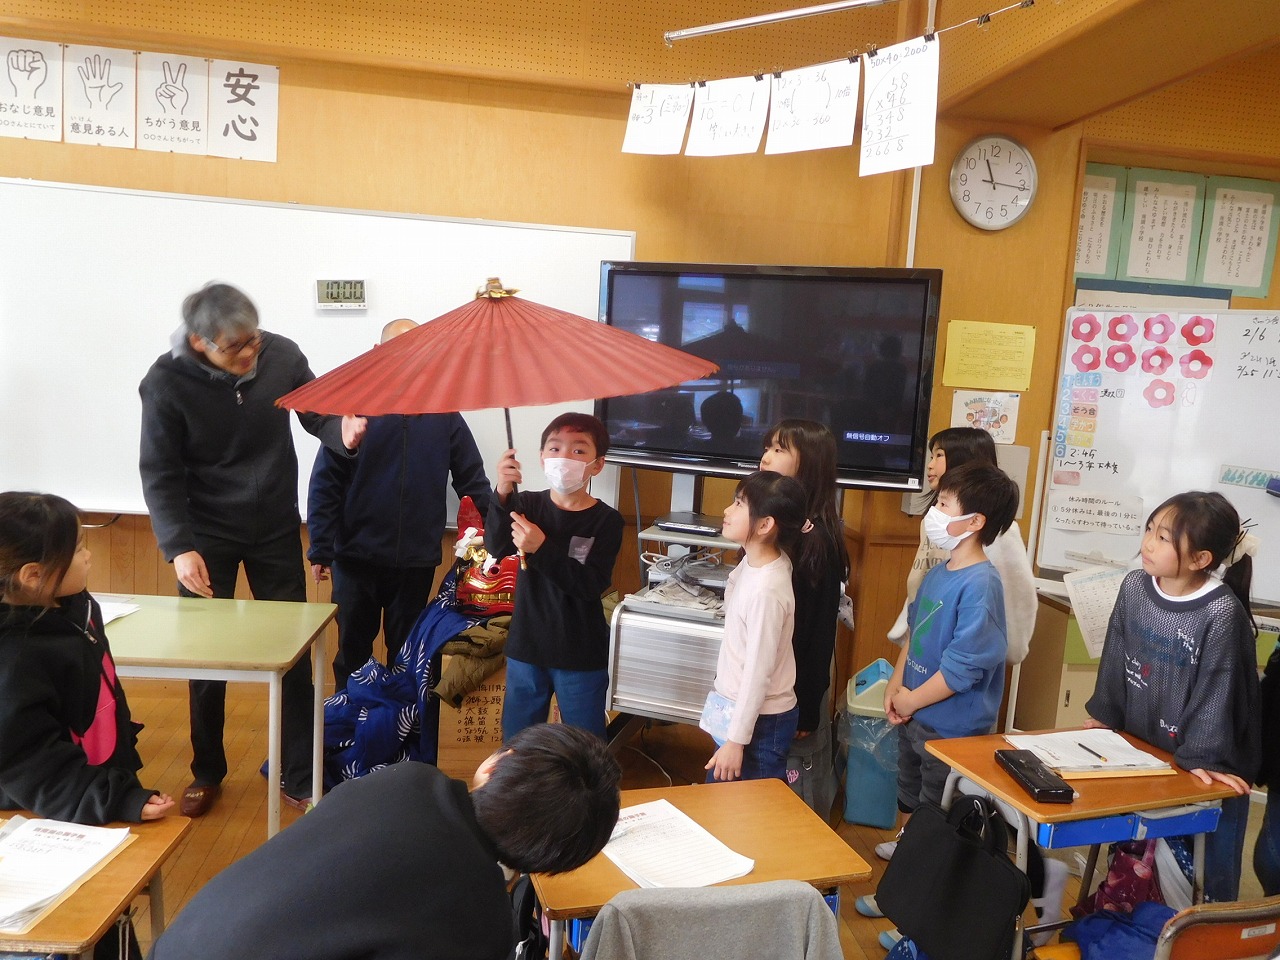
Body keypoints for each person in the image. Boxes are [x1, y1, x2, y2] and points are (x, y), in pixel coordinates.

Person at [139, 281, 366, 818]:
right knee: (206, 655)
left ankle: (299, 772)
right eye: (234, 347)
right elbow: (160, 471)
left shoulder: (281, 354)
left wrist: (343, 431)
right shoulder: (165, 382)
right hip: (205, 535)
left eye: (253, 340)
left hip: (274, 527)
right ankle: (207, 771)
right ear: (200, 342)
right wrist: (179, 547)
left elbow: (317, 412)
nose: (249, 354)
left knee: (292, 650)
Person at [147, 723, 622, 960]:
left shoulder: (406, 780)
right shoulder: (485, 926)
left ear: (494, 766)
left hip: (179, 944)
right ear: (549, 862)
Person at [0, 492, 173, 960]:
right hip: (43, 813)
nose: (89, 555)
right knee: (79, 922)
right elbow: (33, 763)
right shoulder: (14, 660)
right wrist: (116, 798)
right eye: (77, 549)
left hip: (93, 779)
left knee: (113, 918)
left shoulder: (73, 602)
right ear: (33, 576)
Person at [858, 462, 1019, 949]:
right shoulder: (937, 573)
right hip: (915, 716)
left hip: (951, 729)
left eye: (945, 504)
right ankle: (901, 891)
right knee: (913, 806)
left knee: (939, 821)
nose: (934, 511)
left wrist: (912, 699)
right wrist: (895, 691)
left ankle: (918, 918)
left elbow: (963, 667)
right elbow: (914, 634)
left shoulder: (982, 585)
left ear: (974, 522)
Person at [1087, 490, 1260, 903]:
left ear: (1200, 559)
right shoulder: (1134, 586)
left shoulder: (1220, 611)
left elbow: (1219, 688)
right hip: (1148, 753)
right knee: (1137, 861)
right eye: (1150, 530)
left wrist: (1202, 756)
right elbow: (1116, 652)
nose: (1148, 543)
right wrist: (1106, 715)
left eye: (1163, 538)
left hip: (1207, 763)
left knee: (1205, 876)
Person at [307, 318, 493, 692]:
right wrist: (321, 548)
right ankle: (350, 716)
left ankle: (400, 723)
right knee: (353, 651)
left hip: (415, 559)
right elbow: (326, 483)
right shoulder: (355, 410)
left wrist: (497, 530)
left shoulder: (444, 414)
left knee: (406, 654)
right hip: (355, 557)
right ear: (379, 352)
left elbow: (472, 480)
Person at [486, 412, 623, 741]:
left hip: (580, 651)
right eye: (555, 448)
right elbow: (497, 545)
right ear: (542, 458)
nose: (564, 457)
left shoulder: (607, 520)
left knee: (584, 745)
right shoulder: (527, 504)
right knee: (518, 743)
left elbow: (590, 585)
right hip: (527, 646)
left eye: (578, 450)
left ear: (598, 465)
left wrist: (541, 548)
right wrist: (502, 492)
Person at [759, 421, 851, 810]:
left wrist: (809, 706)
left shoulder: (816, 540)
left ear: (808, 464)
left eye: (780, 449)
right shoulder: (774, 529)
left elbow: (817, 634)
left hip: (797, 692)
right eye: (768, 447)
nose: (766, 456)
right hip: (769, 686)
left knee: (797, 785)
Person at [888, 427, 1037, 666]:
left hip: (962, 654)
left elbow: (1015, 599)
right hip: (924, 644)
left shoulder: (1001, 533)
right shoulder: (935, 520)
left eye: (939, 455)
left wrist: (1006, 648)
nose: (930, 465)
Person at [702, 470, 808, 783]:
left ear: (764, 525)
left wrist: (736, 741)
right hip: (739, 712)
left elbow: (758, 673)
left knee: (753, 804)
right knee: (721, 798)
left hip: (760, 723)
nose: (727, 510)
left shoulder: (766, 590)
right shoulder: (756, 562)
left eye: (739, 504)